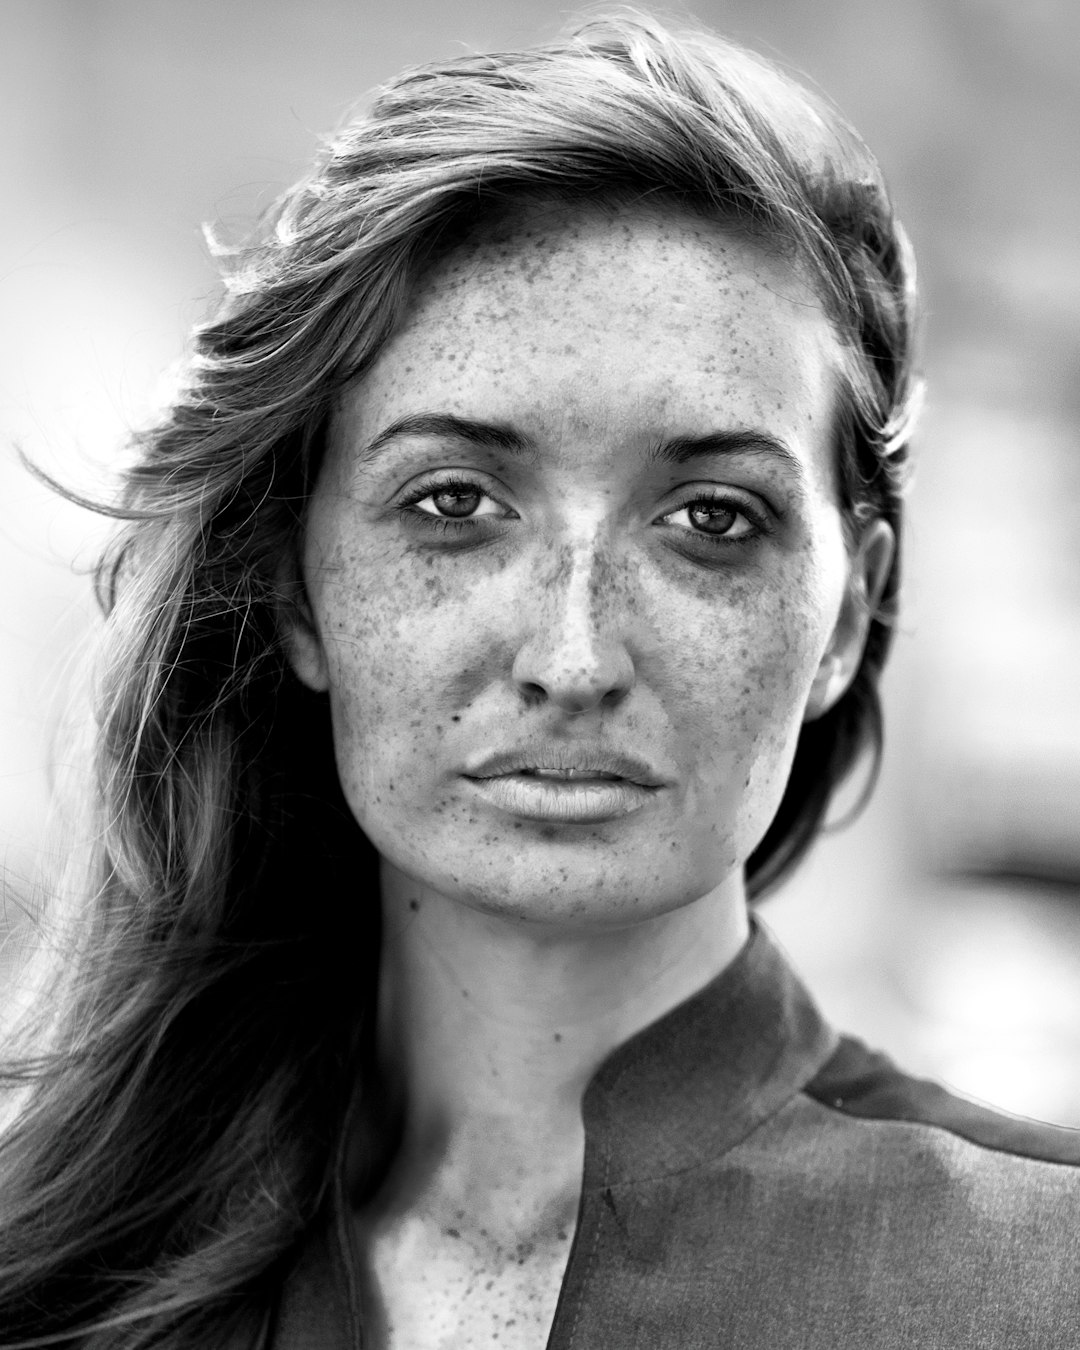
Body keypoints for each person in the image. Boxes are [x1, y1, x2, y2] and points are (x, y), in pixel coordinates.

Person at [1, 10, 1078, 1348]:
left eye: (711, 519)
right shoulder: (59, 1281)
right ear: (295, 590)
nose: (574, 656)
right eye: (454, 501)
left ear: (849, 611)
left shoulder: (1040, 1284)